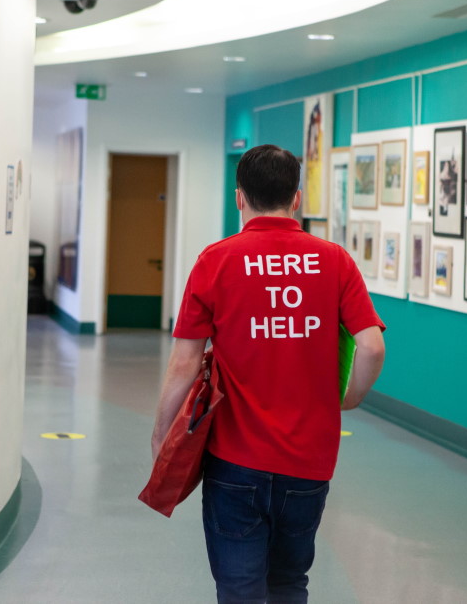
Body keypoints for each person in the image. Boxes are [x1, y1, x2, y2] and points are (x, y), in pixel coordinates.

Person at [150, 144, 386, 603]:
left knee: (239, 588)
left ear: (239, 198)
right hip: (310, 460)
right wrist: (350, 397)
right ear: (296, 199)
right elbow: (372, 346)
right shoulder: (334, 260)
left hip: (235, 459)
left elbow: (183, 363)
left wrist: (163, 437)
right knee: (289, 582)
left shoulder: (215, 260)